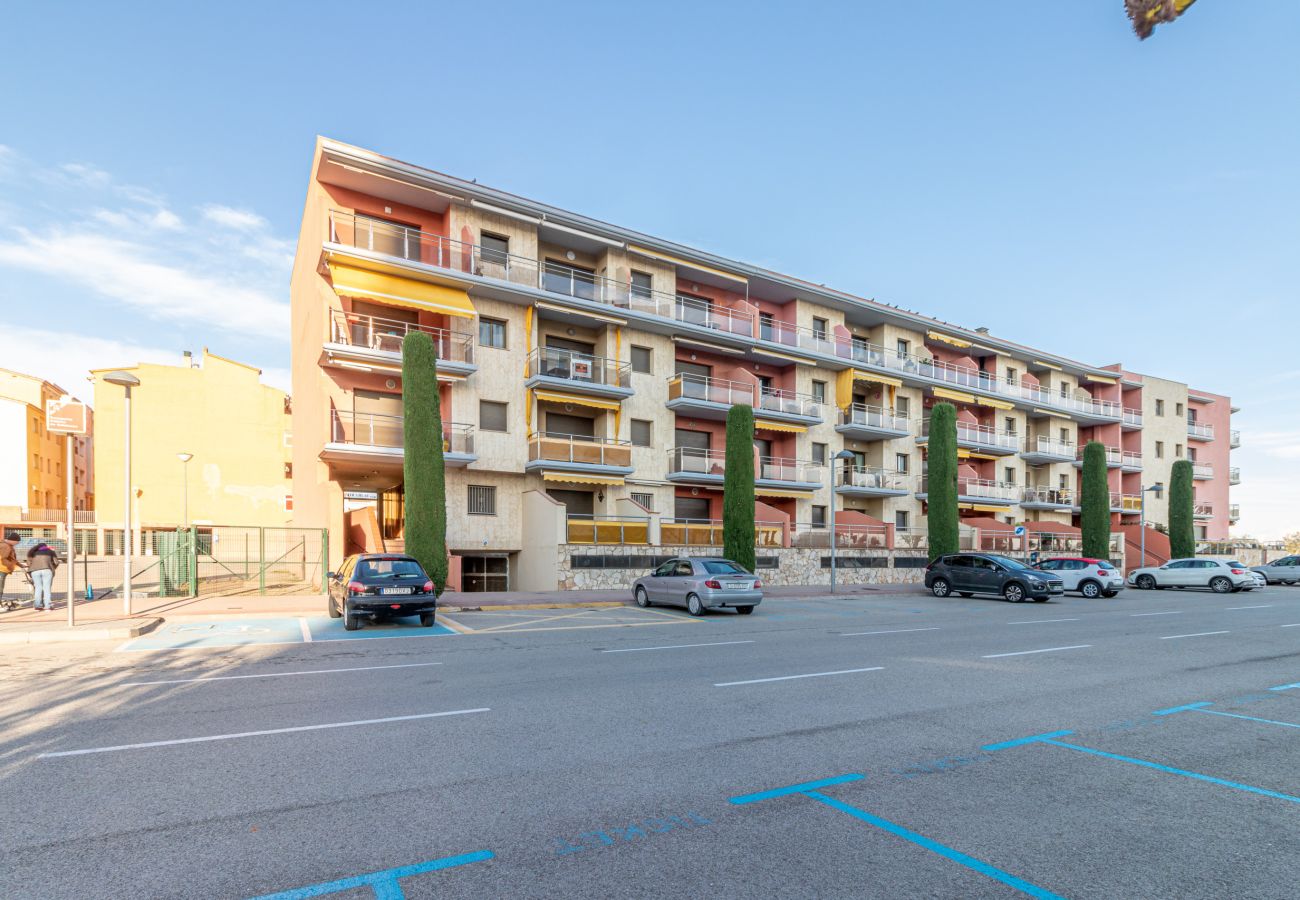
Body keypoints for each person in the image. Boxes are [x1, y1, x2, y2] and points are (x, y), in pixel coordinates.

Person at [27, 541, 59, 611]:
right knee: (47, 588)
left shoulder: (32, 552)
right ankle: (47, 606)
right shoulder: (50, 551)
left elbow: (28, 563)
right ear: (46, 546)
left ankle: (37, 606)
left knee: (38, 588)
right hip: (47, 570)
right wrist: (52, 568)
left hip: (34, 571)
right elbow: (56, 562)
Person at [0, 533, 19, 610]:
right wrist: (12, 566)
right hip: (2, 569)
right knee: (0, 588)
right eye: (17, 542)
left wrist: (20, 565)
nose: (17, 543)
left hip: (2, 569)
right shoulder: (6, 546)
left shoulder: (6, 545)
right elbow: (4, 559)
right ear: (13, 540)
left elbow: (12, 558)